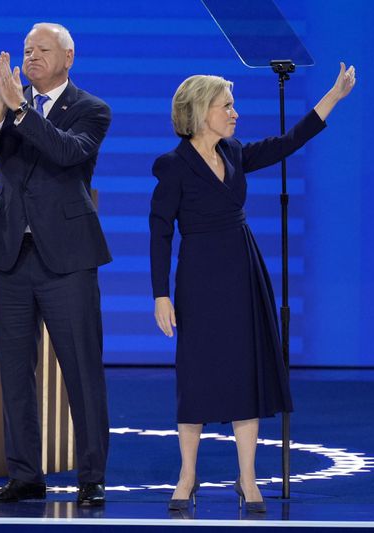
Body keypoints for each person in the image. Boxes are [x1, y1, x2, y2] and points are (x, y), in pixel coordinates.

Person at [150, 63, 356, 512]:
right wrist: (160, 294)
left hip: (242, 270)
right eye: (228, 105)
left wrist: (333, 97)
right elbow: (160, 230)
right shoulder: (173, 165)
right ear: (203, 112)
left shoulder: (235, 153)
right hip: (199, 277)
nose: (235, 113)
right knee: (197, 373)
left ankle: (247, 476)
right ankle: (188, 474)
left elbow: (288, 142)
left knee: (245, 371)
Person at [0, 22, 112, 507]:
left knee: (81, 370)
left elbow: (67, 153)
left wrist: (21, 110)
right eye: (27, 50)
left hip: (66, 259)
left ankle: (91, 475)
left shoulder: (91, 109)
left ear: (68, 57)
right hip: (9, 255)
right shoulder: (7, 101)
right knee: (13, 371)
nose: (31, 57)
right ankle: (25, 474)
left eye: (41, 50)